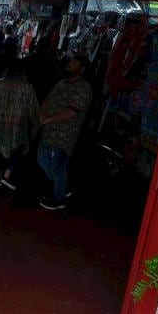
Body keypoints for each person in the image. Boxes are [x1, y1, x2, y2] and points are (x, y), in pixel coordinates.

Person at [37, 55, 93, 210]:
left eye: (75, 62)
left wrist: (49, 119)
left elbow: (72, 111)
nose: (70, 63)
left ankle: (59, 198)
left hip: (64, 135)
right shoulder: (61, 83)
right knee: (42, 161)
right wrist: (42, 114)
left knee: (57, 167)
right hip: (49, 131)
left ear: (82, 69)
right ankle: (62, 188)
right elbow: (48, 99)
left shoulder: (84, 88)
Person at [0, 59, 40, 191]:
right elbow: (34, 109)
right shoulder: (27, 88)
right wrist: (36, 125)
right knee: (16, 150)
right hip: (18, 128)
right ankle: (6, 176)